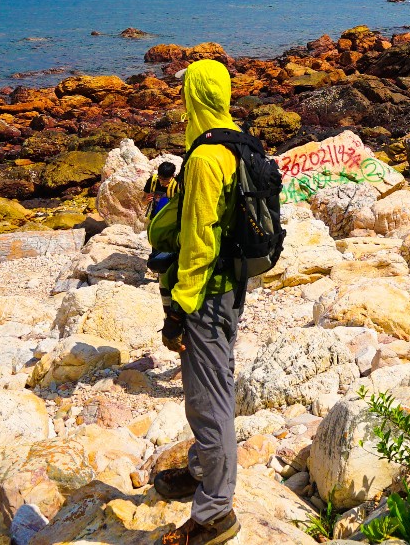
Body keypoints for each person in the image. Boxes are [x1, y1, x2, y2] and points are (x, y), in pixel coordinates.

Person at [147, 59, 246, 545]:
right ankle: (202, 470)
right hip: (229, 288)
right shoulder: (235, 140)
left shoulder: (206, 159)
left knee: (209, 404)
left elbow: (200, 242)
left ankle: (214, 514)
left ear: (196, 96)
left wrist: (178, 309)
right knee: (215, 385)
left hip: (205, 294)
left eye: (186, 90)